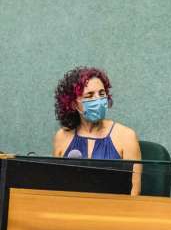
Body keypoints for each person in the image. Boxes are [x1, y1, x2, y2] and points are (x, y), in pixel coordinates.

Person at [53, 66, 142, 196]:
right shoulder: (62, 137)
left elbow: (134, 193)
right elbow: (56, 188)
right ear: (74, 104)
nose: (98, 100)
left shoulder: (127, 137)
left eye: (101, 94)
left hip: (114, 207)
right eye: (89, 95)